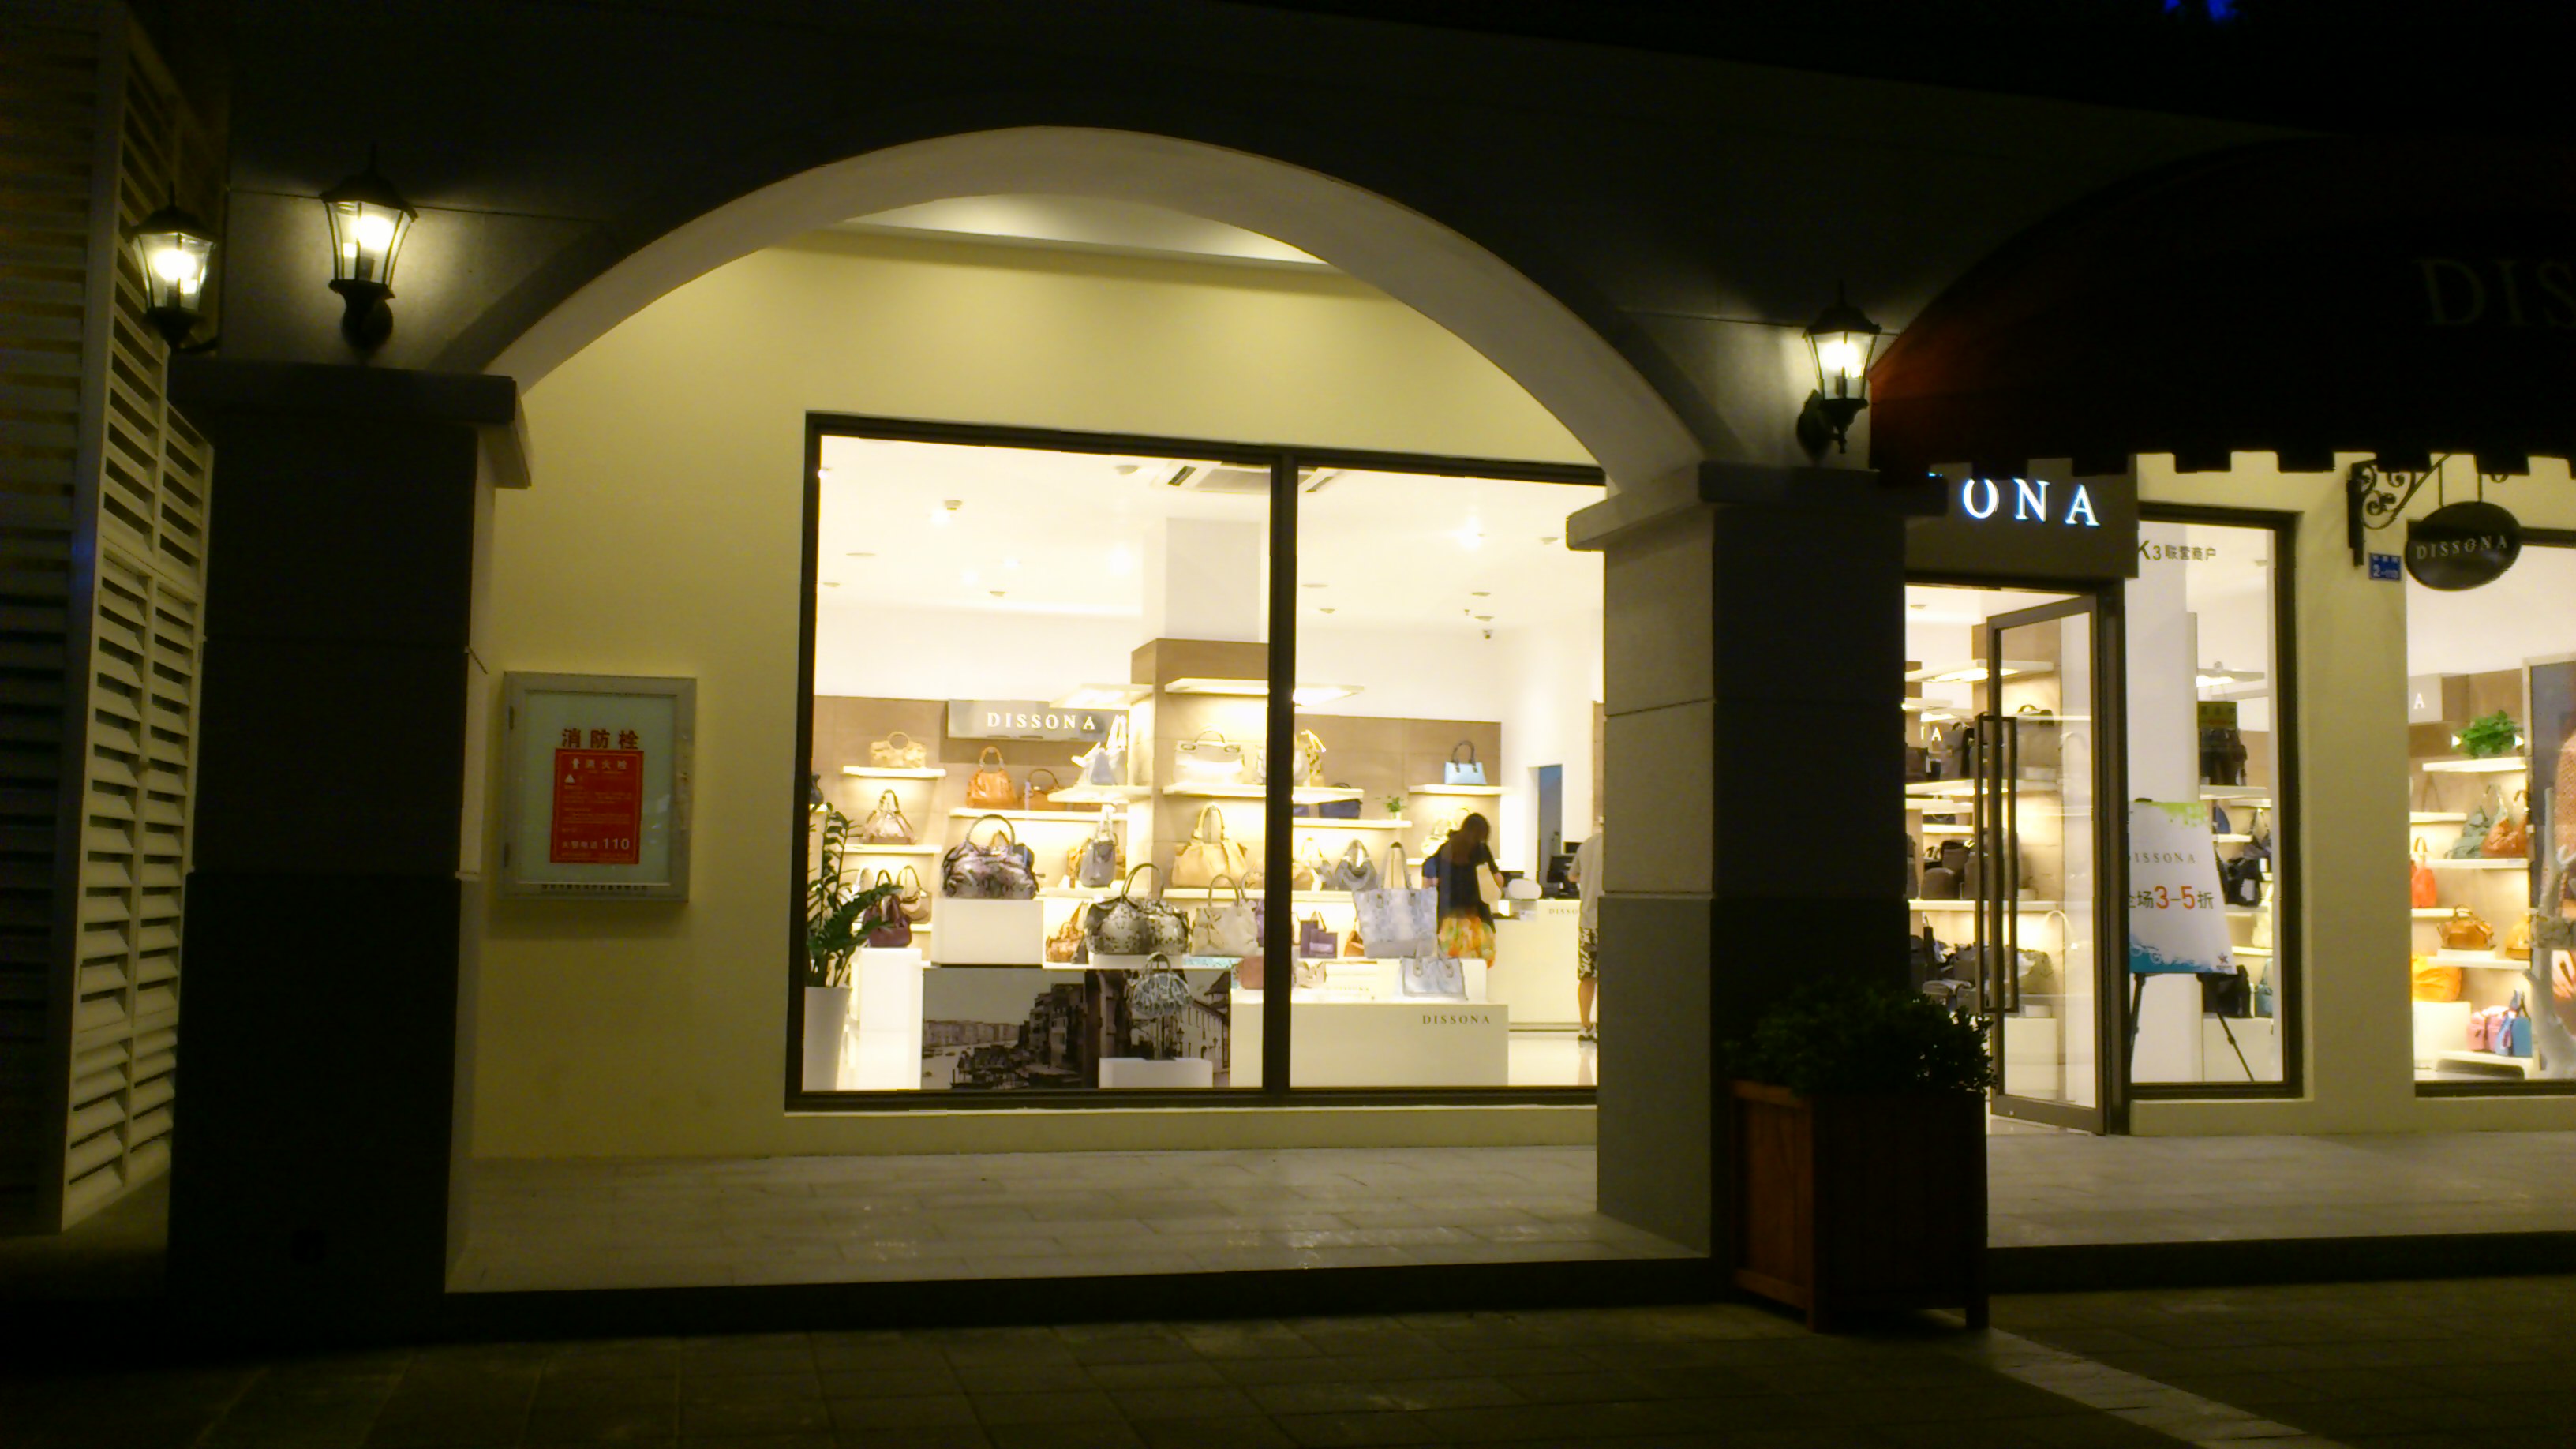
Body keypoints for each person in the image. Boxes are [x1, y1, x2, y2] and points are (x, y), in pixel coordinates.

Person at [1422, 813, 1503, 973]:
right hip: (1476, 920)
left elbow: (1428, 870)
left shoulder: (1446, 848)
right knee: (1477, 971)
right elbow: (1498, 880)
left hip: (1448, 921)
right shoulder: (1481, 850)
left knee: (1451, 971)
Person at [1572, 826, 1603, 1043]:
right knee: (1610, 976)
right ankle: (1606, 1024)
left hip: (1588, 921)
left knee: (1587, 975)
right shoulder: (1622, 846)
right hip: (1612, 919)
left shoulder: (1587, 844)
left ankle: (1585, 1026)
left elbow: (1572, 875)